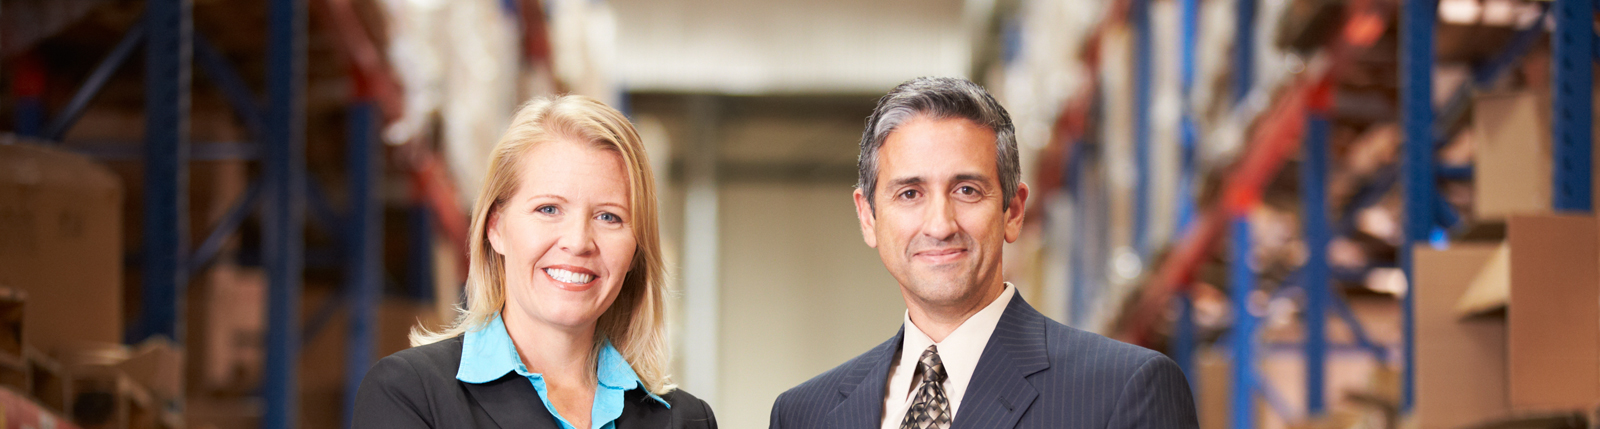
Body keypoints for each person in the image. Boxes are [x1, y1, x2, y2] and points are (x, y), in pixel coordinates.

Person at [768, 77, 1197, 429]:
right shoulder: (805, 414)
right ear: (868, 217)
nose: (940, 225)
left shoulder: (1123, 389)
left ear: (1013, 210)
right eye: (910, 193)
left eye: (967, 190)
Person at [354, 95, 717, 429]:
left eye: (609, 217)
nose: (578, 242)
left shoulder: (687, 421)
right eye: (548, 209)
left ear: (636, 250)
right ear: (495, 227)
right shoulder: (410, 395)